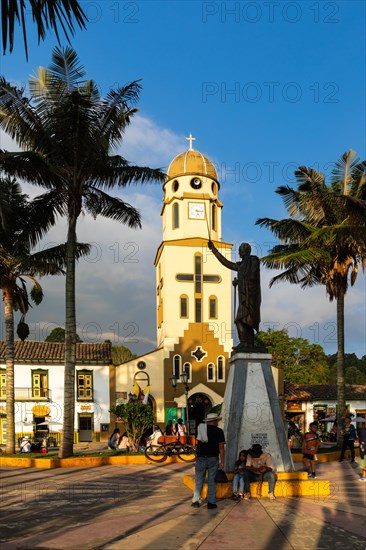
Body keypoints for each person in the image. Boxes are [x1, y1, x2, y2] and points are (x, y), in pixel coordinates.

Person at [208, 240, 261, 349]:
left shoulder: (253, 260)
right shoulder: (240, 265)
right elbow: (226, 263)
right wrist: (214, 250)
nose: (239, 253)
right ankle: (248, 344)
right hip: (244, 296)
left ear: (246, 251)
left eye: (240, 251)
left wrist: (240, 281)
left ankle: (245, 342)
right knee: (246, 320)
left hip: (251, 296)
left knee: (240, 320)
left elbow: (253, 276)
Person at [191, 412, 225, 510]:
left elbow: (199, 442)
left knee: (198, 479)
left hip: (200, 457)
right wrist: (222, 461)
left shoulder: (201, 428)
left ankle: (196, 501)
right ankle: (211, 503)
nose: (218, 422)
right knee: (211, 480)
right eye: (217, 421)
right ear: (214, 421)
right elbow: (221, 447)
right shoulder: (219, 431)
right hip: (213, 458)